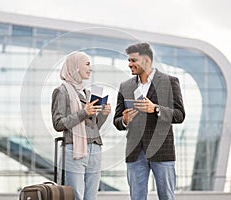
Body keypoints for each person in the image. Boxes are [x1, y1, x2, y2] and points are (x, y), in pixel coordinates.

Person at [113, 42, 185, 200]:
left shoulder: (170, 82)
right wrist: (124, 120)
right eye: (129, 61)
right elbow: (117, 120)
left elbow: (180, 115)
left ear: (146, 60)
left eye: (133, 60)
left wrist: (156, 109)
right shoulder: (125, 86)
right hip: (135, 152)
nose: (129, 64)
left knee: (167, 196)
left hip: (162, 151)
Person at [51, 51, 111, 200]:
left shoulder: (88, 93)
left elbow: (93, 126)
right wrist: (83, 112)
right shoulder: (62, 91)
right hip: (74, 150)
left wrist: (104, 113)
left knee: (91, 197)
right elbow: (58, 123)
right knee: (75, 196)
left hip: (95, 148)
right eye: (87, 64)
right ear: (75, 66)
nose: (90, 68)